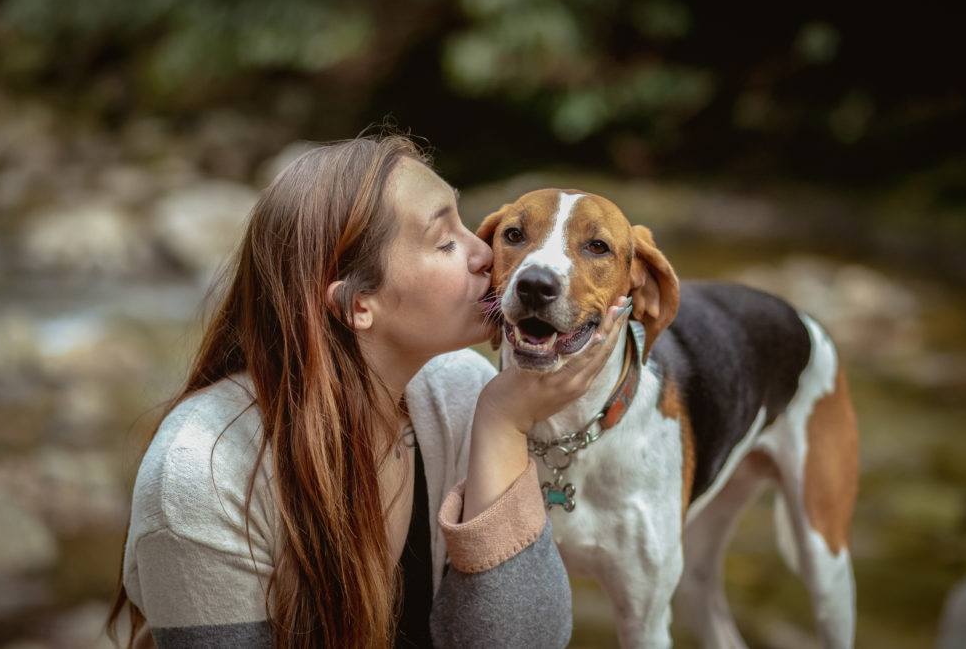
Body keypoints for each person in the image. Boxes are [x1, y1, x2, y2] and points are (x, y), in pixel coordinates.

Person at [106, 133, 630, 648]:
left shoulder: (462, 391)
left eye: (467, 223)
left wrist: (502, 423)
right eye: (446, 240)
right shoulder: (203, 473)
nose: (486, 255)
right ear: (358, 305)